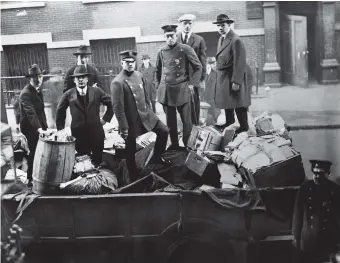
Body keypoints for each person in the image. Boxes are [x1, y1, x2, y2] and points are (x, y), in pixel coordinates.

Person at [111, 50, 169, 181]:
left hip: (146, 115)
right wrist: (124, 127)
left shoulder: (138, 75)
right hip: (131, 120)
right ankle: (132, 174)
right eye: (127, 62)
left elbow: (147, 94)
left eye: (132, 62)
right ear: (122, 63)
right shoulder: (117, 82)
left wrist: (151, 110)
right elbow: (117, 108)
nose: (130, 64)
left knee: (164, 131)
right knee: (130, 148)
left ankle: (156, 159)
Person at [155, 24, 202, 150]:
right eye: (167, 36)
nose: (170, 38)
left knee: (187, 122)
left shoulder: (185, 49)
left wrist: (193, 84)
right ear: (164, 37)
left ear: (176, 35)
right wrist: (158, 86)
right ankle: (174, 146)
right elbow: (158, 70)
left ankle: (188, 146)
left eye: (172, 36)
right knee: (170, 122)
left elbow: (198, 66)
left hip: (182, 89)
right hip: (167, 91)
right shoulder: (161, 51)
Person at [56, 65, 113, 166]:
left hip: (96, 134)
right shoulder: (68, 94)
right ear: (74, 80)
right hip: (79, 136)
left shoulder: (97, 91)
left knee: (97, 163)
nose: (80, 80)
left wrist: (105, 119)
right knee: (83, 164)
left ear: (87, 79)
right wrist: (61, 130)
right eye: (78, 78)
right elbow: (60, 111)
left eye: (83, 77)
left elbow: (111, 104)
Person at [292, 160, 340, 263]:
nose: (317, 176)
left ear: (328, 174)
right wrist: (296, 236)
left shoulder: (335, 190)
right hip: (309, 239)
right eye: (315, 173)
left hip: (329, 238)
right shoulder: (305, 188)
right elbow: (298, 214)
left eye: (321, 174)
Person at [213, 14, 251, 134]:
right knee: (227, 102)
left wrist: (236, 81)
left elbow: (240, 62)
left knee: (239, 103)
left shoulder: (236, 40)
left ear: (229, 25)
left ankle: (244, 126)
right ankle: (229, 123)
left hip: (232, 76)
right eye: (218, 25)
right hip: (224, 76)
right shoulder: (222, 38)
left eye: (222, 25)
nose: (220, 28)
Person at [18, 64, 52, 186]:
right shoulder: (25, 93)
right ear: (29, 79)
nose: (38, 80)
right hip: (30, 128)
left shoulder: (38, 90)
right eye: (35, 78)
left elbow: (41, 112)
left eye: (40, 77)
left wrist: (45, 127)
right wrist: (39, 129)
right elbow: (31, 113)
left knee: (42, 151)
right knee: (34, 152)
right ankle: (30, 179)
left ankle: (40, 176)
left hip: (39, 127)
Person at [177, 14, 207, 126]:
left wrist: (201, 78)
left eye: (190, 23)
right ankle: (185, 126)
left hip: (193, 77)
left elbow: (202, 60)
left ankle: (195, 126)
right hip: (179, 78)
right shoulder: (175, 38)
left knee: (194, 102)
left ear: (193, 24)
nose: (187, 26)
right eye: (185, 23)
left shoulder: (199, 40)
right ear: (180, 25)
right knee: (180, 102)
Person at [203, 57, 219, 124]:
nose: (211, 65)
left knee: (215, 113)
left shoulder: (216, 74)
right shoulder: (204, 74)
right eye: (209, 63)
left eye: (212, 63)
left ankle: (217, 125)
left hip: (214, 97)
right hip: (205, 97)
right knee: (207, 115)